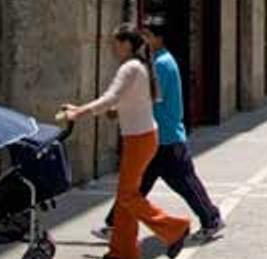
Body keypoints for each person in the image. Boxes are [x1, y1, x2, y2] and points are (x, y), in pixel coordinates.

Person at [63, 26, 190, 259]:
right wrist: (97, 109)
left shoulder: (130, 68)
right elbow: (127, 100)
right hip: (142, 137)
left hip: (139, 139)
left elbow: (111, 97)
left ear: (126, 44)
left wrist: (78, 113)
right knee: (125, 197)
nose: (113, 48)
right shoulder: (140, 66)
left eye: (115, 43)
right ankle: (123, 252)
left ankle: (174, 228)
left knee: (128, 197)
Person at [92, 27, 224, 244]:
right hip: (157, 135)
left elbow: (148, 97)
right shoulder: (160, 61)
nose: (144, 40)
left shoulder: (160, 64)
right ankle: (114, 224)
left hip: (166, 137)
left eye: (148, 35)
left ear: (158, 38)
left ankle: (211, 218)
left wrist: (117, 109)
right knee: (135, 186)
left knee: (185, 183)